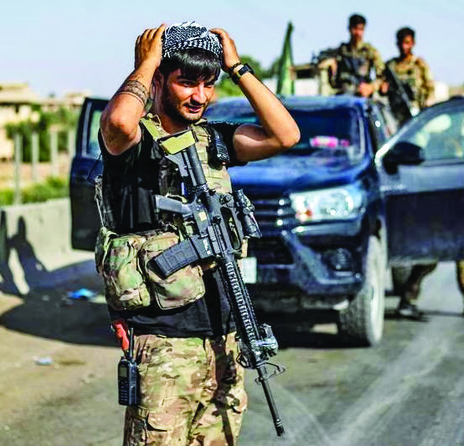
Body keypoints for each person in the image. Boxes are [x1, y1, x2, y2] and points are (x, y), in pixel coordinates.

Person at [97, 22, 299, 445]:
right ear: (159, 81)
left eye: (208, 84)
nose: (200, 96)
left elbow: (286, 135)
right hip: (164, 344)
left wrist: (237, 67)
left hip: (224, 335)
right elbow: (117, 120)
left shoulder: (215, 141)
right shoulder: (133, 145)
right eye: (187, 82)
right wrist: (147, 63)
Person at [386, 28, 464, 321]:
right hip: (445, 206)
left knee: (434, 258)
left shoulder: (441, 135)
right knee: (448, 256)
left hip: (444, 205)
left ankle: (415, 299)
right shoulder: (444, 139)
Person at [326, 14, 386, 97]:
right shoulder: (340, 51)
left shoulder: (370, 51)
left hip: (362, 96)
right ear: (349, 29)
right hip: (343, 95)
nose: (357, 33)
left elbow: (382, 76)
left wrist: (371, 87)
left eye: (361, 29)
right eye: (355, 29)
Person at [385, 27, 434, 119]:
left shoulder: (419, 64)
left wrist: (428, 101)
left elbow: (430, 86)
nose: (404, 47)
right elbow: (381, 83)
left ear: (413, 43)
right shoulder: (390, 66)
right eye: (401, 43)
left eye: (407, 43)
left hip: (416, 109)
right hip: (396, 111)